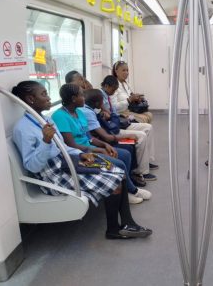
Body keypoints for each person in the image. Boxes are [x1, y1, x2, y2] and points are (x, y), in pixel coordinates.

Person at [11, 81, 152, 239]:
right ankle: (113, 230)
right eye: (44, 94)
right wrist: (45, 142)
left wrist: (80, 154)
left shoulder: (46, 120)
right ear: (30, 99)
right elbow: (33, 166)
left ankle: (128, 223)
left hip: (67, 161)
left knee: (119, 172)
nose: (49, 97)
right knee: (116, 181)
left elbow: (62, 147)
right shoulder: (22, 129)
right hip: (53, 174)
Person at [51, 83, 151, 204]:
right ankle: (131, 190)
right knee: (119, 163)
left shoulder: (79, 112)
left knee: (125, 154)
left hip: (90, 147)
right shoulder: (59, 116)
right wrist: (98, 150)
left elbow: (89, 137)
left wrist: (104, 145)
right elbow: (72, 145)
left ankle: (126, 188)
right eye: (81, 95)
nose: (84, 98)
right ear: (73, 99)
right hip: (80, 154)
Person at [100, 75, 158, 183]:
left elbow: (112, 112)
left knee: (148, 127)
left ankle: (147, 161)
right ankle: (142, 171)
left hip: (118, 121)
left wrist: (121, 117)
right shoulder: (99, 97)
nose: (114, 92)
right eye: (113, 89)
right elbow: (108, 114)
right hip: (113, 128)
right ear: (107, 86)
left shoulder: (106, 94)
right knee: (141, 136)